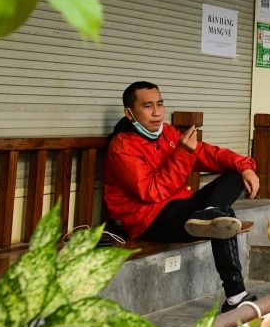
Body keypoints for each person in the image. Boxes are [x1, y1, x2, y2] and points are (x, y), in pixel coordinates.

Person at [103, 81, 261, 313]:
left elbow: (209, 154)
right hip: (149, 220)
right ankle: (236, 295)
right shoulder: (121, 148)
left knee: (233, 175)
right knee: (223, 216)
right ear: (130, 113)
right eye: (147, 106)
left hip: (179, 208)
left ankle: (210, 212)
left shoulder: (167, 133)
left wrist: (245, 166)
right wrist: (184, 153)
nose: (157, 112)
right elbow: (152, 191)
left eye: (160, 104)